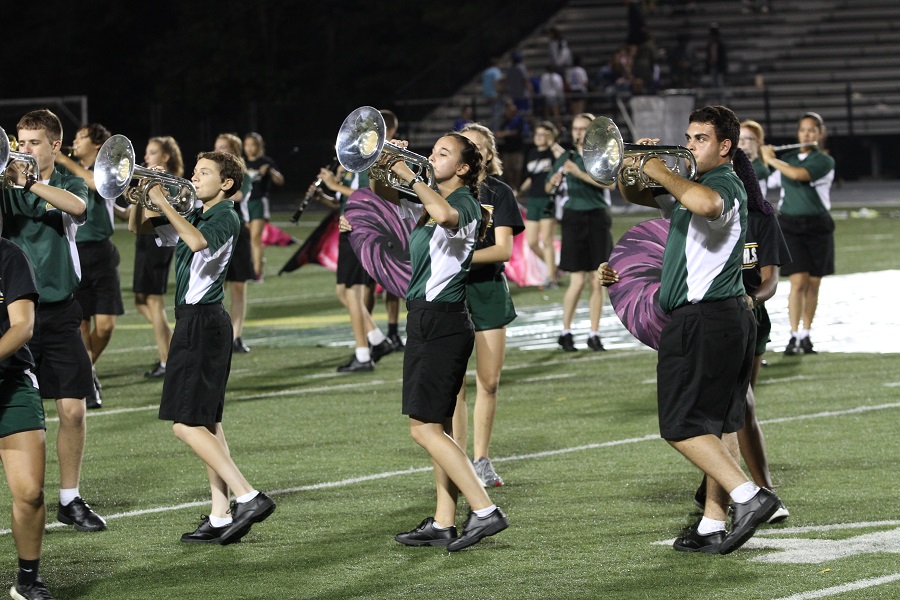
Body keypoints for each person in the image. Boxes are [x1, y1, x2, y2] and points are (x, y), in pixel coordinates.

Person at [602, 105, 784, 554]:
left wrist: (659, 168)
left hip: (703, 318)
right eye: (688, 136)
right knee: (719, 425)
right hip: (725, 319)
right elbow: (636, 195)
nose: (689, 144)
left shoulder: (720, 182)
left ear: (725, 147)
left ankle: (749, 495)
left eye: (699, 138)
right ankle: (711, 523)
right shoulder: (693, 184)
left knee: (680, 425)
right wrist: (635, 167)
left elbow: (705, 204)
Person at [129, 150, 275, 545]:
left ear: (226, 183)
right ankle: (219, 514)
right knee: (209, 423)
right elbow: (139, 230)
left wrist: (162, 201)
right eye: (194, 171)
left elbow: (195, 243)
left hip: (202, 323)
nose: (194, 178)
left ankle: (248, 496)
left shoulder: (224, 214)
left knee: (185, 424)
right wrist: (142, 194)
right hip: (198, 322)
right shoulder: (196, 211)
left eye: (204, 173)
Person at [374, 132, 508, 552]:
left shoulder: (464, 202)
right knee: (439, 427)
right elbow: (384, 191)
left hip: (440, 322)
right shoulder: (433, 202)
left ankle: (484, 509)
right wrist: (386, 158)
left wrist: (410, 176)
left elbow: (447, 215)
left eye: (442, 153)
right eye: (431, 151)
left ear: (464, 169)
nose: (432, 158)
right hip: (430, 320)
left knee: (423, 429)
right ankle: (444, 521)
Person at [1, 109, 107, 533]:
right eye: (19, 143)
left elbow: (78, 208)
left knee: (73, 411)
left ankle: (69, 498)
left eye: (33, 143)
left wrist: (29, 183)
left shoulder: (67, 182)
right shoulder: (4, 182)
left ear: (54, 146)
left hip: (59, 310)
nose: (23, 150)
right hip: (11, 315)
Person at [693, 140, 792, 524]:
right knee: (730, 403)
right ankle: (725, 483)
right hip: (710, 317)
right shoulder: (701, 212)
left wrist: (752, 300)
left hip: (749, 318)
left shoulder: (761, 217)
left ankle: (761, 489)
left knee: (740, 403)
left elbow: (770, 280)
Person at [452, 123, 525, 488]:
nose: (473, 152)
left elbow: (503, 250)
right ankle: (458, 458)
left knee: (489, 382)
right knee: (454, 385)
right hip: (450, 291)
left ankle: (481, 459)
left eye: (478, 147)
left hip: (487, 290)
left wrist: (457, 258)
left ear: (489, 154)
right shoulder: (443, 192)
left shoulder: (500, 192)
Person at [0, 238, 57, 599]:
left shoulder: (9, 255)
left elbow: (22, 327)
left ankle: (28, 579)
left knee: (30, 492)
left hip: (10, 384)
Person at [54, 123, 125, 409]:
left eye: (80, 138)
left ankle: (86, 369)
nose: (74, 142)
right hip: (75, 250)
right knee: (81, 323)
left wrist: (62, 158)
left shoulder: (105, 168)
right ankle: (89, 378)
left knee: (106, 325)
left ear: (97, 144)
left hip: (102, 252)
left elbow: (96, 185)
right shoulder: (65, 174)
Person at [760, 112, 835, 356]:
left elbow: (799, 175)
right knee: (798, 281)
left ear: (819, 134)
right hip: (791, 225)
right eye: (803, 130)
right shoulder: (789, 158)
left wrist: (772, 160)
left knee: (813, 283)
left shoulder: (823, 161)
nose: (806, 134)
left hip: (818, 226)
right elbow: (764, 178)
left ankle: (806, 333)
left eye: (812, 130)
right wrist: (758, 158)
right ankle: (793, 335)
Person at [546, 113, 614, 352]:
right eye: (575, 128)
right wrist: (554, 181)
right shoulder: (566, 156)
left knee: (598, 279)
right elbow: (547, 186)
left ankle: (594, 333)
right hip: (573, 218)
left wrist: (578, 173)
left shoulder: (602, 155)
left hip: (597, 216)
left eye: (584, 128)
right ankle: (566, 332)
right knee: (576, 281)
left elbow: (610, 183)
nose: (578, 132)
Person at [133, 136, 182, 379]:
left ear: (165, 157)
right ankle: (173, 348)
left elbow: (154, 215)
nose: (146, 157)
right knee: (142, 302)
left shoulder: (167, 181)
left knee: (153, 302)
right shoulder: (158, 180)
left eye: (152, 153)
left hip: (157, 241)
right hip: (148, 240)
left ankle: (167, 360)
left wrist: (146, 187)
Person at [214, 133, 254, 353]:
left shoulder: (243, 175)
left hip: (239, 232)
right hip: (218, 234)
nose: (219, 151)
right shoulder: (211, 175)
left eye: (224, 148)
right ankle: (218, 334)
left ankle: (236, 336)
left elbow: (237, 196)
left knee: (238, 287)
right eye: (217, 147)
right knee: (217, 287)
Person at [519, 121, 565, 288]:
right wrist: (518, 191)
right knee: (531, 242)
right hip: (533, 200)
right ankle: (554, 269)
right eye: (537, 134)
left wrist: (553, 142)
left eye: (544, 134)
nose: (539, 137)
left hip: (548, 199)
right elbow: (531, 177)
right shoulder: (531, 153)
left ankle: (551, 279)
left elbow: (564, 157)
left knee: (546, 240)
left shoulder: (553, 153)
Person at [243, 132, 284, 281]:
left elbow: (280, 180)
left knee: (255, 238)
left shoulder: (266, 162)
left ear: (259, 146)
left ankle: (257, 273)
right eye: (246, 145)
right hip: (244, 203)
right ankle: (257, 264)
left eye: (252, 145)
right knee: (246, 239)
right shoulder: (242, 162)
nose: (249, 148)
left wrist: (271, 171)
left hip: (259, 202)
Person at [494, 99, 530, 191]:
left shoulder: (519, 120)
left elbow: (518, 132)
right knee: (508, 169)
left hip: (517, 149)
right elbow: (500, 131)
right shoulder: (505, 121)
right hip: (507, 149)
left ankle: (517, 188)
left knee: (517, 169)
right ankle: (512, 186)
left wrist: (505, 134)